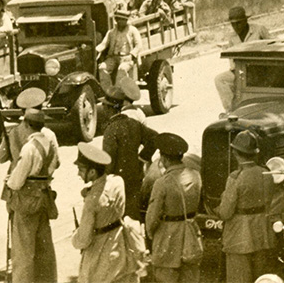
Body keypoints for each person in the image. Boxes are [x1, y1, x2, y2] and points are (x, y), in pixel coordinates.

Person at [72, 142, 142, 283]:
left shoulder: (92, 201)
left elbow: (83, 239)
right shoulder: (117, 181)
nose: (78, 173)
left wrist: (75, 237)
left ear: (92, 172)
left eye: (81, 169)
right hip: (120, 245)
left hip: (100, 255)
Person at [6, 108, 60, 283]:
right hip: (44, 197)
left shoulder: (29, 148)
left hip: (27, 201)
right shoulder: (48, 143)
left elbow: (16, 181)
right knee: (44, 248)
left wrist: (9, 180)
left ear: (28, 125)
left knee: (23, 251)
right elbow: (54, 165)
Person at [218, 130, 276, 283]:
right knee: (261, 278)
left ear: (235, 153)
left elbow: (225, 213)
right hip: (262, 233)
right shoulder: (266, 173)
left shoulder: (235, 178)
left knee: (239, 279)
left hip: (239, 236)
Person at [145, 133, 203, 283]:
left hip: (168, 238)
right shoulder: (196, 175)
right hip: (190, 233)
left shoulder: (162, 183)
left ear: (163, 159)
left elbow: (152, 218)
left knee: (166, 277)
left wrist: (151, 234)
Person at [102, 76, 158, 221]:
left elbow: (108, 160)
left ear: (109, 108)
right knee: (135, 214)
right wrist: (141, 159)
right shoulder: (134, 123)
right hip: (136, 174)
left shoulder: (111, 129)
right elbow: (154, 138)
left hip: (118, 179)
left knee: (120, 217)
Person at [0, 87, 50, 204]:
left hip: (14, 189)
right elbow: (55, 162)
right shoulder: (48, 134)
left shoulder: (12, 132)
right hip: (40, 189)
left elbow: (1, 158)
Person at [215, 7, 273, 111]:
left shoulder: (259, 30)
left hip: (262, 69)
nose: (236, 27)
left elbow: (274, 45)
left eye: (239, 23)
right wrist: (237, 72)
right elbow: (232, 61)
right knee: (220, 79)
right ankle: (231, 112)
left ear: (245, 20)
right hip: (242, 71)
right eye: (233, 24)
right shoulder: (232, 37)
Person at [96, 10, 142, 97]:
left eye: (123, 20)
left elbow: (139, 45)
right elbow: (103, 44)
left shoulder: (132, 30)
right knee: (102, 67)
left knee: (122, 69)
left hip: (127, 58)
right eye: (119, 19)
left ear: (126, 20)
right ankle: (108, 90)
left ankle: (119, 92)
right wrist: (97, 50)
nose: (121, 22)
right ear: (116, 20)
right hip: (113, 57)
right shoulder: (111, 32)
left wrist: (132, 55)